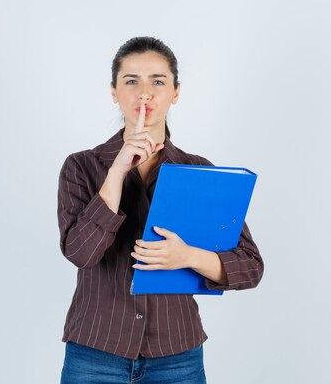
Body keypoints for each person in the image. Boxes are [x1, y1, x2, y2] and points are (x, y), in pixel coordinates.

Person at [57, 36, 264, 384]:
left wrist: (187, 256)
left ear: (176, 93)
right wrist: (117, 171)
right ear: (114, 92)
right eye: (131, 81)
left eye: (158, 81)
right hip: (94, 353)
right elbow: (81, 253)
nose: (145, 93)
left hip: (176, 358)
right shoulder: (81, 167)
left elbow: (250, 266)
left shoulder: (201, 172)